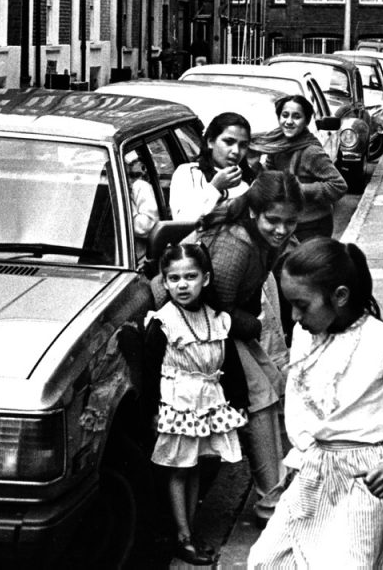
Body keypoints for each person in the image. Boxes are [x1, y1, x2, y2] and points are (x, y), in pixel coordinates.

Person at [248, 239, 383, 569]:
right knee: (267, 559)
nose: (294, 315)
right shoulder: (304, 335)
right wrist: (307, 452)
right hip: (316, 469)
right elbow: (297, 402)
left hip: (365, 477)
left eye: (302, 305)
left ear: (339, 296)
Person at [152, 170, 304, 524]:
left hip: (219, 324)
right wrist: (253, 324)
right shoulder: (236, 244)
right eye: (274, 221)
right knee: (261, 401)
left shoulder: (267, 237)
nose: (281, 230)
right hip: (197, 329)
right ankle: (272, 503)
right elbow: (215, 304)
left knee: (273, 388)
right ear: (255, 213)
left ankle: (279, 490)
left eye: (290, 221)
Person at [144, 243, 249, 565]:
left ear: (206, 278)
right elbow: (148, 371)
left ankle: (187, 530)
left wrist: (239, 400)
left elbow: (230, 363)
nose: (182, 284)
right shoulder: (163, 321)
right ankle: (183, 536)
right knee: (179, 469)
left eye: (190, 276)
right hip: (178, 402)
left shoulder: (216, 318)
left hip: (207, 401)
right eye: (173, 278)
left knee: (196, 467)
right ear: (164, 282)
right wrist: (151, 411)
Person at [251, 95, 347, 241]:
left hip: (311, 226)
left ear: (307, 121)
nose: (289, 121)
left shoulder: (311, 152)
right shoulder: (278, 145)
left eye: (296, 117)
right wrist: (255, 165)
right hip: (287, 222)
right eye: (285, 115)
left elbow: (338, 186)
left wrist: (296, 189)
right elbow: (271, 179)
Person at [170, 111, 257, 223]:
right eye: (228, 142)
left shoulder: (246, 183)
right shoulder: (189, 173)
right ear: (210, 141)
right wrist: (215, 187)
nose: (236, 151)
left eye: (243, 145)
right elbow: (181, 222)